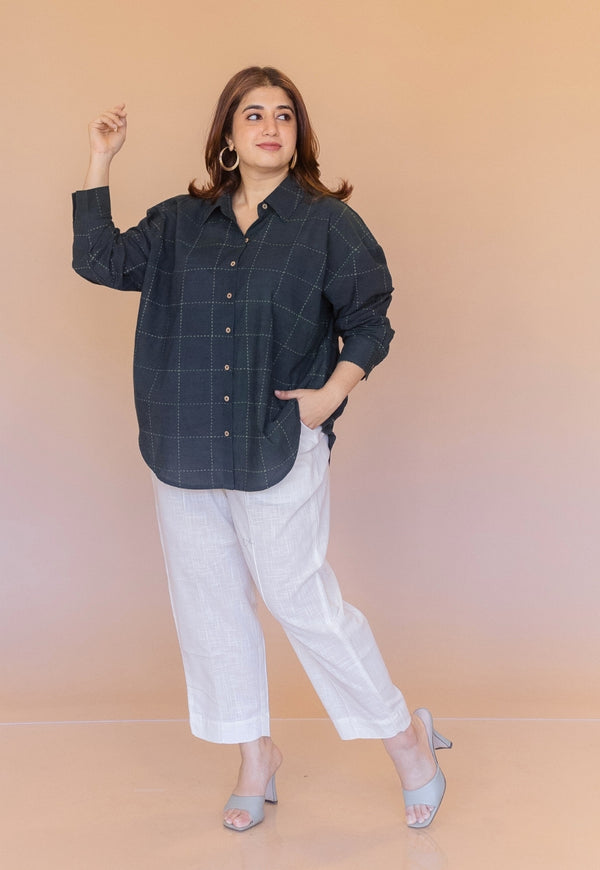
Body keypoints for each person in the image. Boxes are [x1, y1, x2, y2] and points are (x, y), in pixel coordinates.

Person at [72, 66, 451, 831]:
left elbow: (371, 318)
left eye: (283, 114)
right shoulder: (181, 223)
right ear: (227, 134)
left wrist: (330, 395)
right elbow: (100, 260)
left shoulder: (327, 223)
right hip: (184, 445)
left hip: (277, 437)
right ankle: (255, 757)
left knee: (300, 598)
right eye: (253, 114)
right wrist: (101, 158)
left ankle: (408, 742)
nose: (269, 126)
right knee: (210, 608)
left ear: (298, 133)